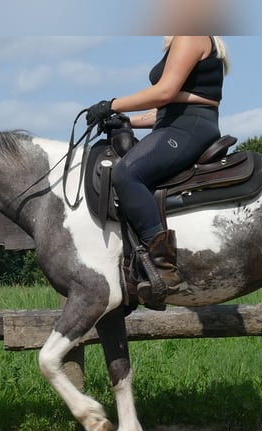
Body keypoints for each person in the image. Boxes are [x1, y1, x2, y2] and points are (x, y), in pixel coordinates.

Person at [86, 35, 230, 301]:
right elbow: (165, 109)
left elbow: (164, 93)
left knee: (127, 172)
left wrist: (111, 104)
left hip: (189, 127)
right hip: (177, 124)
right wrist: (124, 120)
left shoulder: (191, 35)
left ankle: (165, 269)